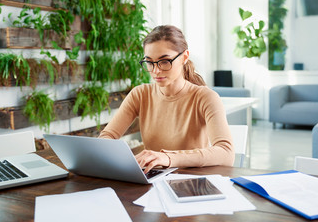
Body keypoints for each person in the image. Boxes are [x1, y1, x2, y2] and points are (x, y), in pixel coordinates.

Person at [99, 25, 234, 173]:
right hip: (152, 180)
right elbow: (108, 136)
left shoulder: (205, 97)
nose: (156, 71)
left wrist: (168, 158)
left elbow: (226, 153)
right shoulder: (140, 94)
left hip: (191, 181)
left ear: (184, 57)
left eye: (164, 61)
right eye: (149, 62)